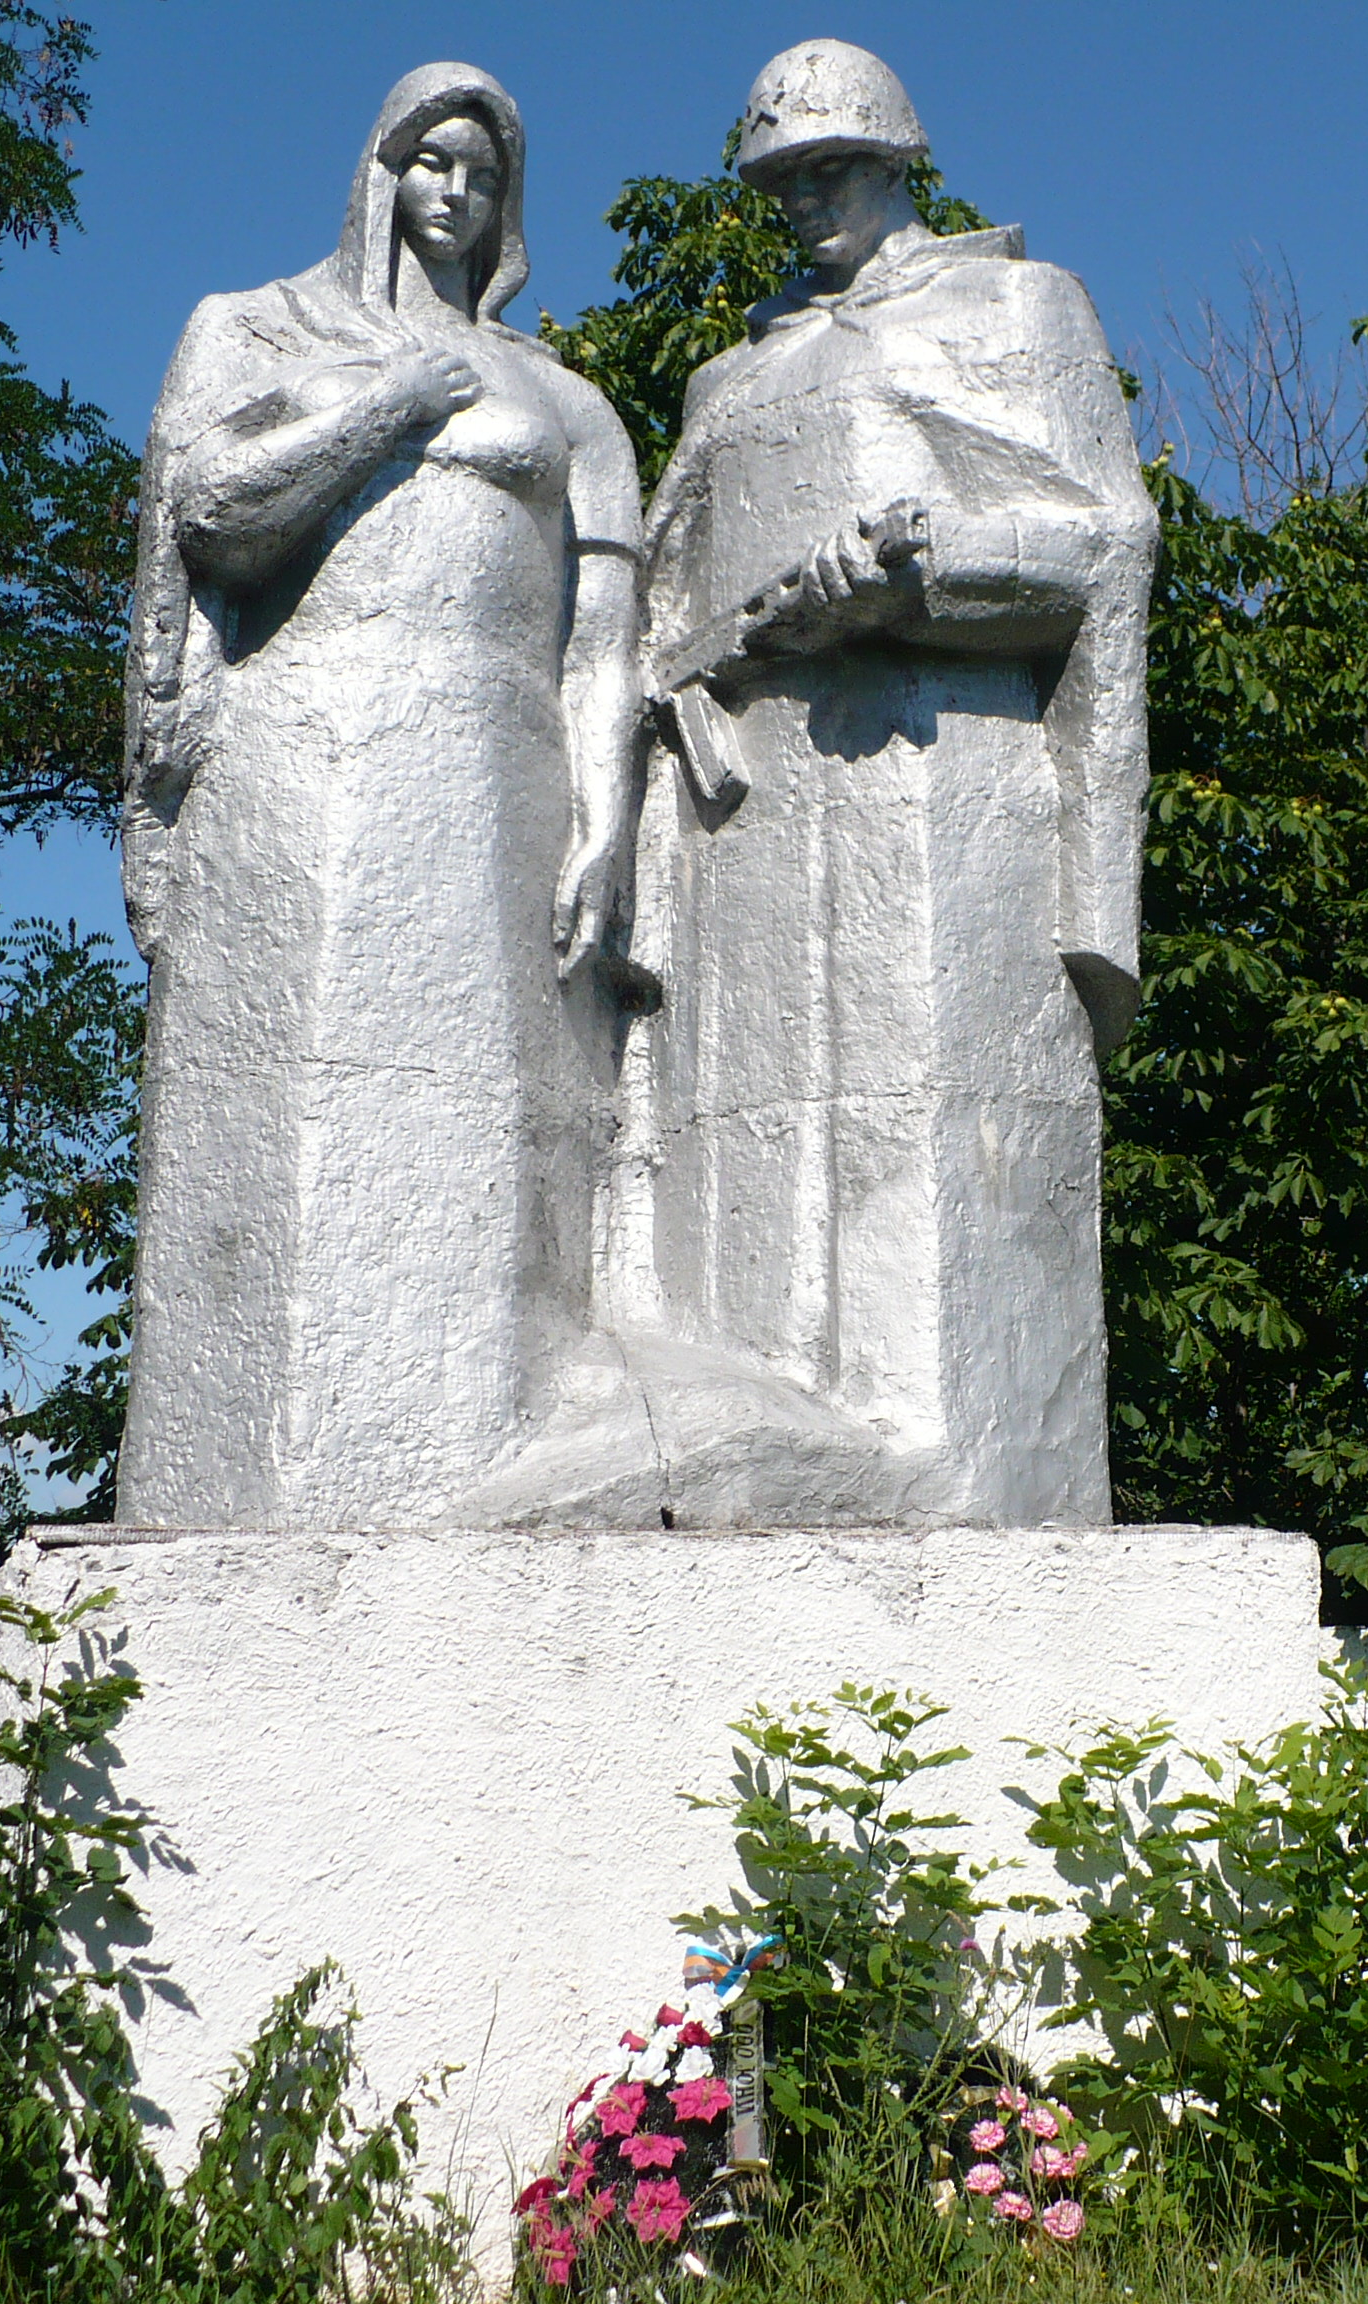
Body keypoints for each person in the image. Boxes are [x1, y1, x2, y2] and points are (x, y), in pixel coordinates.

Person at [491, 40, 1155, 1530]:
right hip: (743, 804)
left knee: (923, 1167)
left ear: (903, 161)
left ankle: (930, 1465)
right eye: (787, 184)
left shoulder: (1018, 309)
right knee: (745, 1150)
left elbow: (1106, 547)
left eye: (838, 171)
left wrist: (922, 576)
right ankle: (759, 1424)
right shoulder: (736, 371)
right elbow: (656, 596)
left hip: (940, 786)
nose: (813, 205)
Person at [114, 63, 647, 1529]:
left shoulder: (570, 403)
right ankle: (268, 1483)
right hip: (308, 755)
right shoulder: (259, 327)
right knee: (293, 1106)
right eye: (430, 161)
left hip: (498, 770)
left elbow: (608, 642)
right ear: (382, 174)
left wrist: (609, 822)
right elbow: (212, 514)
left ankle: (470, 1462)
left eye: (482, 169)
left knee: (485, 1129)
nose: (455, 190)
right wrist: (398, 398)